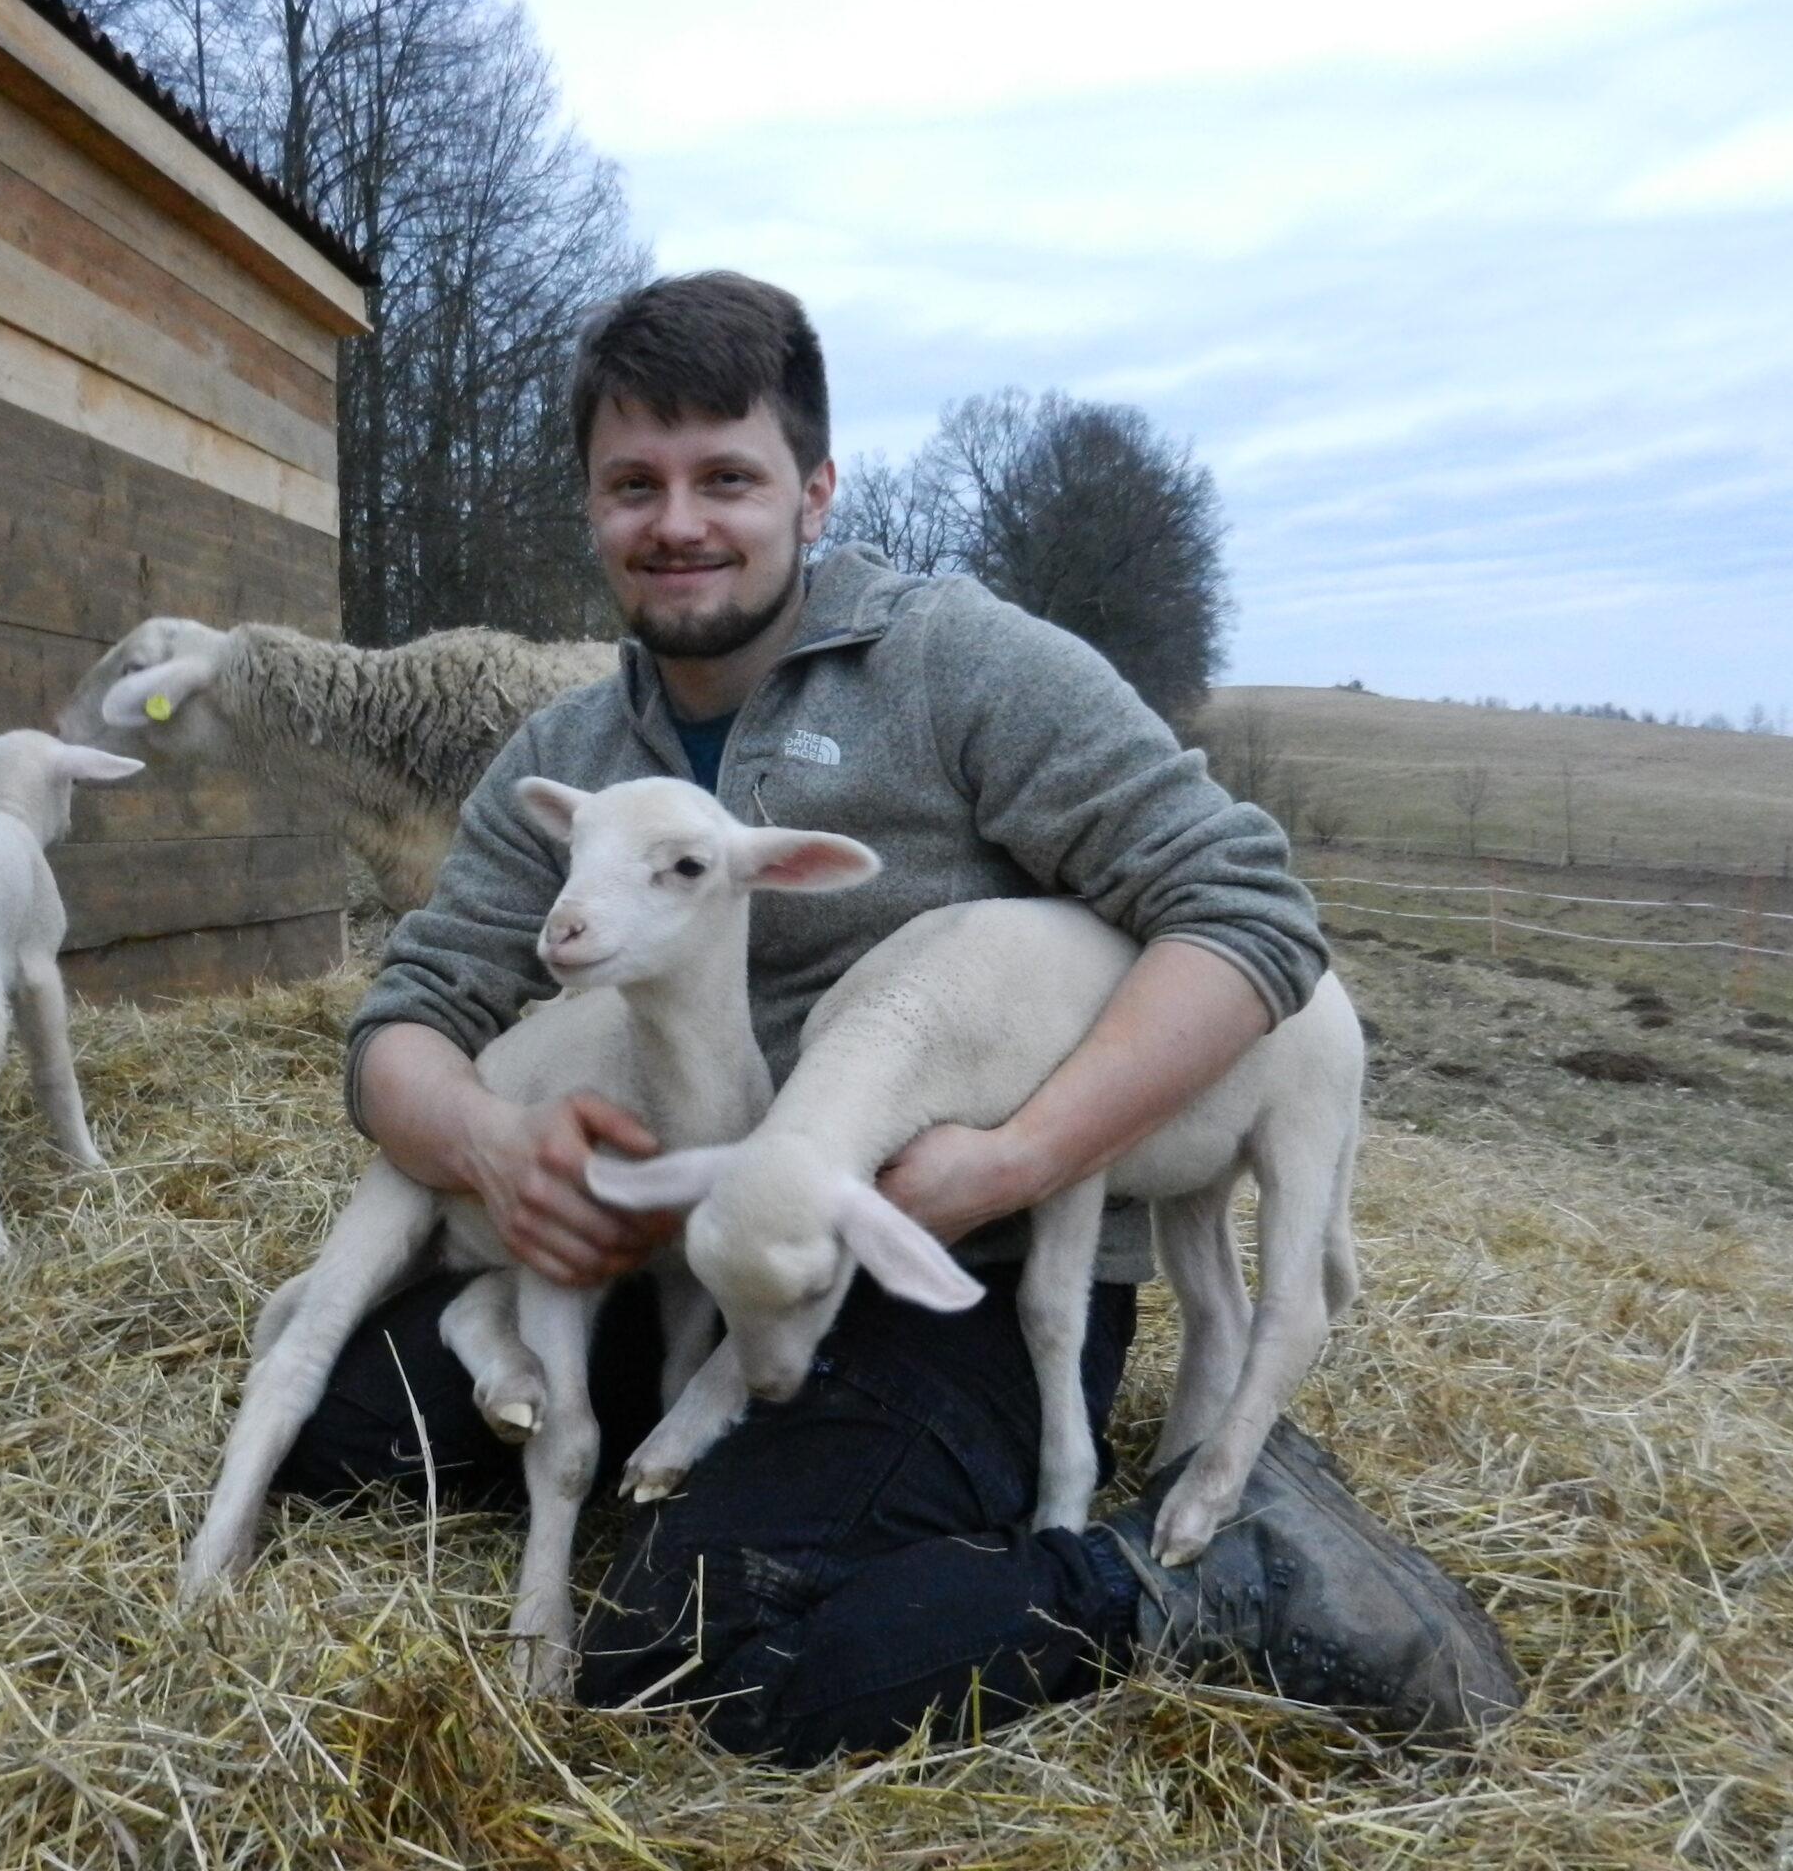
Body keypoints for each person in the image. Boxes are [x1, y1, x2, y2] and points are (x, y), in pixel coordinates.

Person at [268, 271, 1520, 1764]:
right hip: (702, 1250)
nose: (678, 521)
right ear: (593, 507)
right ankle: (752, 1474)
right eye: (634, 484)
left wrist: (1018, 1159)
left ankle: (1196, 1580)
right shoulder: (571, 752)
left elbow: (1251, 914)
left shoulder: (964, 668)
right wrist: (486, 1142)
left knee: (691, 1661)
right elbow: (410, 1014)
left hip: (963, 1272)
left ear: (813, 491)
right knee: (332, 1440)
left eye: (727, 478)